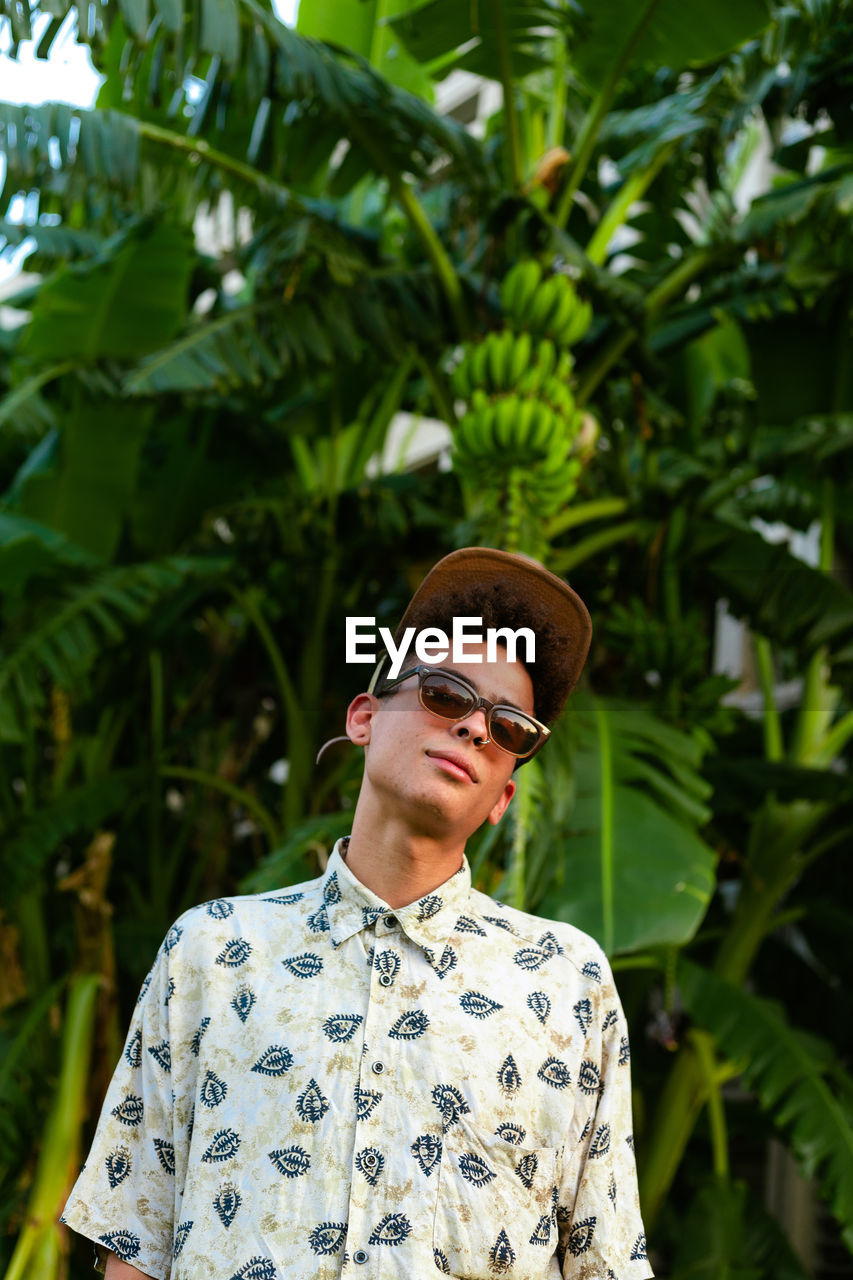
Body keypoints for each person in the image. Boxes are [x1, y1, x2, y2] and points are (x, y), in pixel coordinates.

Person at [62, 547, 653, 1280]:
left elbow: (601, 1258)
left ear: (503, 797)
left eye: (509, 729)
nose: (474, 727)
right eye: (445, 693)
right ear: (365, 717)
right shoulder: (214, 950)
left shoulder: (567, 984)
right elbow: (135, 1237)